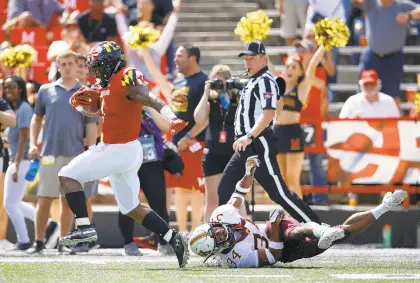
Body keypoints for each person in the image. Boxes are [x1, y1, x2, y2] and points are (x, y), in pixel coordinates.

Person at [57, 41, 189, 268]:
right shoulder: (107, 84)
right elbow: (110, 109)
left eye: (98, 65)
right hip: (124, 151)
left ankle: (85, 227)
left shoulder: (128, 77)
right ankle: (174, 238)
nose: (95, 70)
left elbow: (149, 98)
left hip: (119, 148)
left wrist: (171, 117)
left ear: (111, 63)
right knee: (131, 208)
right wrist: (90, 108)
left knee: (67, 176)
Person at [189, 156, 408, 268]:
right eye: (218, 239)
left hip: (268, 231)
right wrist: (275, 224)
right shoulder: (235, 259)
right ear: (216, 250)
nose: (221, 234)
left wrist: (249, 173)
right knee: (340, 234)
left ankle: (320, 231)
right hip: (282, 253)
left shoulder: (222, 215)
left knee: (294, 231)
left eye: (215, 231)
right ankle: (384, 207)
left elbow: (239, 192)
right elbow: (274, 255)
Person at [217, 41, 320, 224]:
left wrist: (249, 136)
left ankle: (316, 226)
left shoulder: (266, 80)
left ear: (264, 59)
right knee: (224, 188)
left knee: (278, 192)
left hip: (256, 142)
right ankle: (226, 233)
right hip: (245, 144)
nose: (247, 62)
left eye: (252, 58)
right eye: (245, 58)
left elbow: (269, 113)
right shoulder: (252, 80)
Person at [27, 50, 98, 254]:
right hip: (49, 153)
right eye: (63, 64)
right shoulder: (45, 91)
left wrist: (91, 150)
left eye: (70, 63)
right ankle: (38, 242)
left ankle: (63, 242)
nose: (67, 67)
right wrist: (33, 143)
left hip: (75, 156)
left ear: (78, 66)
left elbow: (91, 125)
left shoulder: (86, 93)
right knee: (44, 199)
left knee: (68, 202)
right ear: (57, 66)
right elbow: (36, 119)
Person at [272, 47, 325, 199]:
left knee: (293, 180)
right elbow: (267, 64)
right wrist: (255, 37)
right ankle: (285, 217)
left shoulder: (301, 88)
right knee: (281, 181)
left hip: (292, 132)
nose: (289, 69)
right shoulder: (278, 85)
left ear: (300, 72)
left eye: (294, 67)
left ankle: (298, 217)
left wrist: (323, 45)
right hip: (277, 132)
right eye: (287, 66)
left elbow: (313, 65)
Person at [119, 106, 172, 256]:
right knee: (127, 203)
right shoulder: (119, 103)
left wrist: (147, 106)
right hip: (127, 161)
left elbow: (165, 127)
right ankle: (128, 243)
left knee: (158, 204)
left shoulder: (152, 105)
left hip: (152, 162)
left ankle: (164, 243)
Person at [194, 65, 240, 221]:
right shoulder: (210, 99)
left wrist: (231, 89)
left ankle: (243, 233)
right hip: (213, 152)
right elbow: (198, 118)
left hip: (233, 152)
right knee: (212, 199)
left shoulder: (236, 97)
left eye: (220, 79)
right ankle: (207, 234)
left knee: (237, 197)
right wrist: (207, 91)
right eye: (213, 79)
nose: (217, 83)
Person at [354, 0, 420, 101]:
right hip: (371, 57)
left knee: (392, 98)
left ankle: (393, 117)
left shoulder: (402, 5)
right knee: (363, 95)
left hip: (393, 59)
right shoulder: (370, 3)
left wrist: (409, 16)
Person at [2, 76, 38, 250]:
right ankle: (47, 224)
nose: (8, 91)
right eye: (6, 88)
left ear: (21, 88)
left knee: (9, 203)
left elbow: (24, 139)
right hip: (17, 160)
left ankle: (23, 240)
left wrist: (15, 165)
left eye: (12, 87)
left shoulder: (23, 109)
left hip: (21, 161)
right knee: (14, 201)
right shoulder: (14, 109)